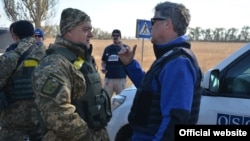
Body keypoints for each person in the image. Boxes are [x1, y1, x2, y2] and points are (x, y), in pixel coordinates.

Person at [118, 1, 202, 141]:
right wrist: (130, 65)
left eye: (154, 20)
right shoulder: (169, 57)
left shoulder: (178, 62)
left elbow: (175, 119)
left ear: (167, 24)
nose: (151, 25)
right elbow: (151, 90)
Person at [31, 8, 111, 141]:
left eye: (91, 29)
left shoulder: (82, 59)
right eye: (86, 30)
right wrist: (88, 137)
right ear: (69, 31)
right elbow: (57, 113)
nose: (91, 34)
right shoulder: (55, 64)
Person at [0, 20, 47, 141]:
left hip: (14, 123)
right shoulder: (48, 54)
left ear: (14, 35)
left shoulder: (10, 57)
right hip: (41, 119)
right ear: (32, 34)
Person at [101, 29, 128, 97]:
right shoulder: (107, 49)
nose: (115, 37)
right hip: (109, 78)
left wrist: (120, 45)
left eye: (117, 35)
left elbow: (128, 58)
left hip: (120, 78)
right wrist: (103, 67)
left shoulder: (124, 47)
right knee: (106, 99)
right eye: (113, 35)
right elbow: (103, 61)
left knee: (121, 99)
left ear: (120, 37)